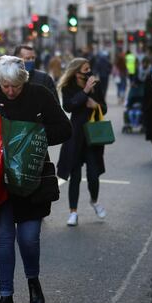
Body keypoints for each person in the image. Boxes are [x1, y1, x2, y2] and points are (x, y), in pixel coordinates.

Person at [0, 56, 71, 303]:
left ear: (24, 80)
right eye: (5, 86)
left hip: (31, 179)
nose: (10, 91)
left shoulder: (40, 95)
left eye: (15, 86)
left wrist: (33, 136)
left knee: (28, 238)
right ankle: (6, 298)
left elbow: (65, 128)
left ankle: (33, 279)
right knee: (4, 240)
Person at [57, 57, 108, 227]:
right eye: (85, 70)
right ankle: (73, 212)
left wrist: (96, 106)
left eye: (89, 69)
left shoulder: (97, 85)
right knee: (75, 176)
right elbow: (69, 106)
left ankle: (94, 200)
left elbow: (104, 107)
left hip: (93, 134)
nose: (89, 72)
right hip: (76, 135)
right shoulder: (68, 87)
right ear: (76, 72)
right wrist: (85, 91)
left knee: (93, 174)